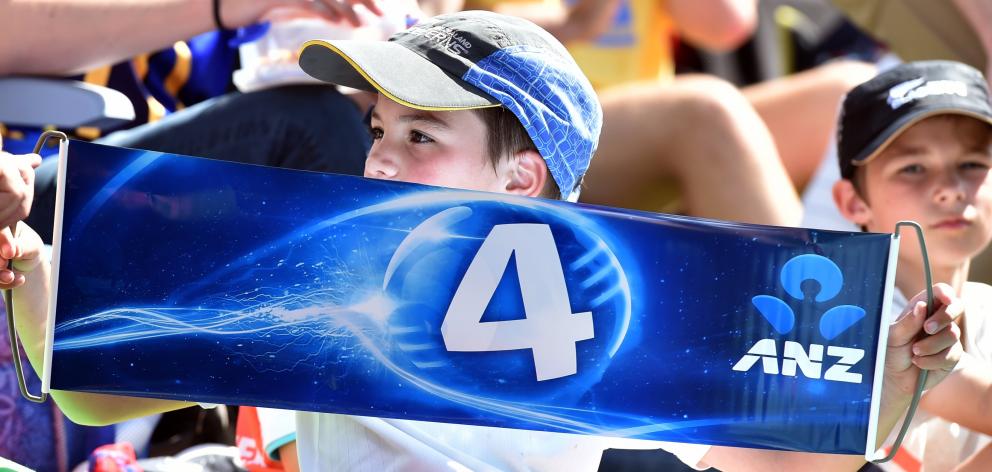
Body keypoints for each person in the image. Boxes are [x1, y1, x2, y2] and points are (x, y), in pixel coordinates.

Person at [7, 11, 965, 472]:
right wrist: (28, 267)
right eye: (378, 131)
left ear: (521, 179)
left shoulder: (638, 308)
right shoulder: (326, 269)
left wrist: (893, 375)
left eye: (420, 137)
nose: (379, 160)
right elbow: (96, 383)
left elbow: (794, 464)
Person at [830, 60, 992, 472]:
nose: (950, 190)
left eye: (972, 164)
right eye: (913, 168)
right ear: (853, 203)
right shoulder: (851, 315)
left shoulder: (985, 307)